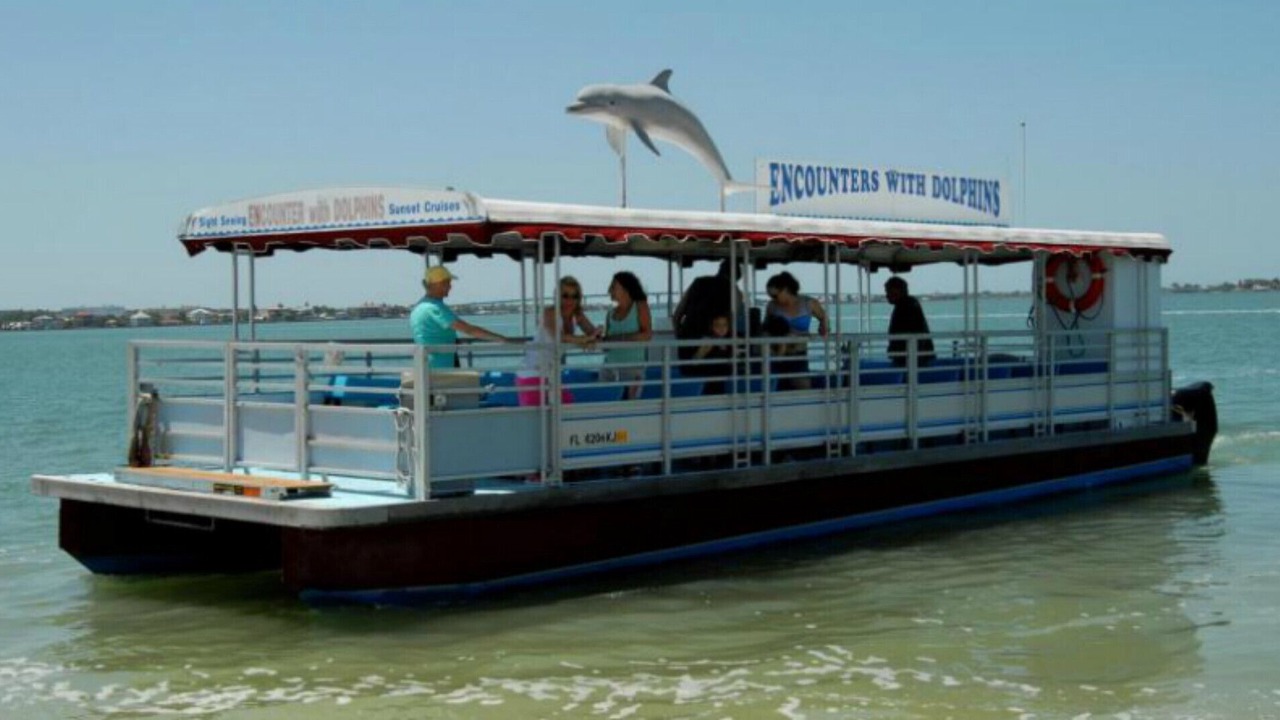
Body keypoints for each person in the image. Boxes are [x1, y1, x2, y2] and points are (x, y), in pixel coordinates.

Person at [409, 265, 514, 368]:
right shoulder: (435, 308)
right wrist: (502, 339)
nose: (450, 286)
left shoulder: (419, 307)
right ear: (436, 284)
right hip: (439, 368)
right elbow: (469, 330)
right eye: (447, 283)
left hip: (424, 366)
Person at [517, 276, 600, 406]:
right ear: (558, 296)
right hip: (532, 373)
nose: (570, 300)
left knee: (566, 408)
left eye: (575, 296)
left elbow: (592, 333)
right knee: (538, 420)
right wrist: (584, 340)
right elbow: (559, 337)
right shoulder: (549, 312)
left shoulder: (577, 315)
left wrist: (596, 335)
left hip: (551, 374)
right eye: (565, 295)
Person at [764, 271, 829, 390]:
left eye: (775, 295)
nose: (773, 299)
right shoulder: (772, 306)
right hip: (778, 353)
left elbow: (823, 317)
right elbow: (765, 328)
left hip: (799, 353)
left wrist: (823, 328)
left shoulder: (808, 303)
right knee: (778, 388)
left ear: (785, 290)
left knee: (803, 386)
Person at [672, 258, 746, 361]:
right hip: (714, 345)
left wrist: (679, 335)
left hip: (688, 337)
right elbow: (732, 319)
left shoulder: (698, 282)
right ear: (737, 276)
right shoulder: (735, 291)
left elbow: (677, 314)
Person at [601, 271, 653, 399]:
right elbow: (607, 344)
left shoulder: (640, 306)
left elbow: (647, 335)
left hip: (632, 370)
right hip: (609, 369)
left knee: (628, 407)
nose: (609, 290)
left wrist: (619, 339)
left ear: (626, 288)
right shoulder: (610, 313)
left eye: (613, 286)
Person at [884, 275, 935, 367]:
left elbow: (908, 331)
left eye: (888, 291)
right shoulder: (909, 303)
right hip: (916, 356)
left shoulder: (906, 305)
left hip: (911, 358)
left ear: (898, 291)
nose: (887, 295)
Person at [692, 313, 734, 395]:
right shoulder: (708, 341)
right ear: (711, 327)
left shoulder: (730, 341)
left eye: (724, 325)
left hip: (725, 379)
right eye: (717, 325)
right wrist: (703, 350)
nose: (721, 328)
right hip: (711, 379)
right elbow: (695, 360)